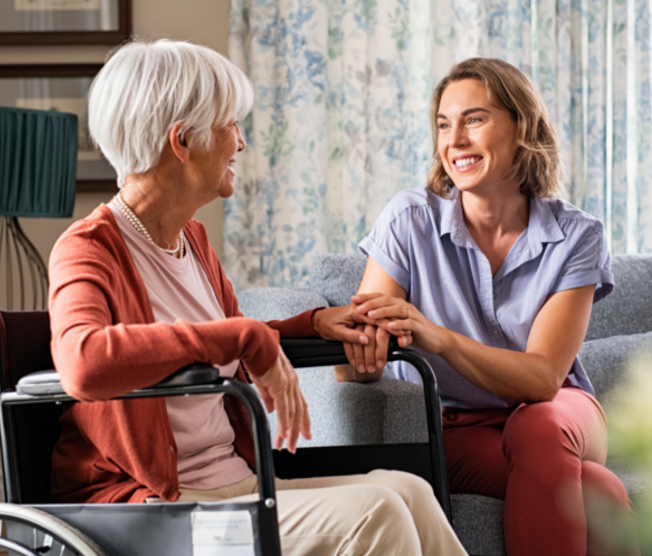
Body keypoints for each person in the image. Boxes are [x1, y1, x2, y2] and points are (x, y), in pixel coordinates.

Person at [48, 39, 467, 556]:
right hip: (156, 509)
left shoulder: (193, 242)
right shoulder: (89, 249)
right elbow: (83, 364)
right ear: (182, 141)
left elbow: (219, 346)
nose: (241, 143)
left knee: (408, 490)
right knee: (375, 516)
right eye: (231, 126)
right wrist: (244, 333)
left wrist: (310, 325)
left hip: (236, 486)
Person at [338, 58, 639, 556]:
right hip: (457, 427)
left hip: (560, 412)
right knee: (598, 492)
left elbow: (543, 380)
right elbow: (360, 355)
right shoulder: (408, 220)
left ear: (522, 126)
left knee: (537, 424)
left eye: (474, 119)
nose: (454, 139)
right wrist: (364, 352)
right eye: (443, 124)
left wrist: (438, 337)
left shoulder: (577, 236)